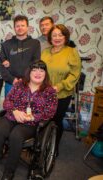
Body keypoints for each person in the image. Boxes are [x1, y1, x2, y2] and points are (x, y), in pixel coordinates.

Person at [0, 60, 57, 180]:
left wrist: (34, 116)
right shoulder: (19, 85)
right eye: (34, 70)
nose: (38, 73)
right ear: (29, 72)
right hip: (12, 116)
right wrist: (14, 111)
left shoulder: (50, 91)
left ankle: (9, 172)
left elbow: (50, 111)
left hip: (31, 123)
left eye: (41, 70)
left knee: (16, 136)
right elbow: (7, 101)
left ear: (45, 73)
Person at [41, 24, 81, 156]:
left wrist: (59, 86)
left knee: (56, 120)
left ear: (65, 37)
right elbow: (39, 69)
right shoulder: (45, 52)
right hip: (44, 93)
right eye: (54, 35)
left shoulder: (71, 52)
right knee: (43, 118)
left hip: (61, 94)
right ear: (50, 38)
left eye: (60, 35)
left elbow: (75, 74)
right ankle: (42, 143)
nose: (57, 38)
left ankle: (53, 147)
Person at [0, 15, 41, 97]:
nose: (20, 28)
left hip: (29, 83)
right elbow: (2, 64)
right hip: (11, 84)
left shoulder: (35, 43)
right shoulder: (6, 44)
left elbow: (36, 63)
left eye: (23, 25)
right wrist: (12, 80)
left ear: (27, 27)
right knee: (9, 109)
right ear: (14, 28)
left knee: (28, 109)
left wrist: (26, 79)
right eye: (17, 26)